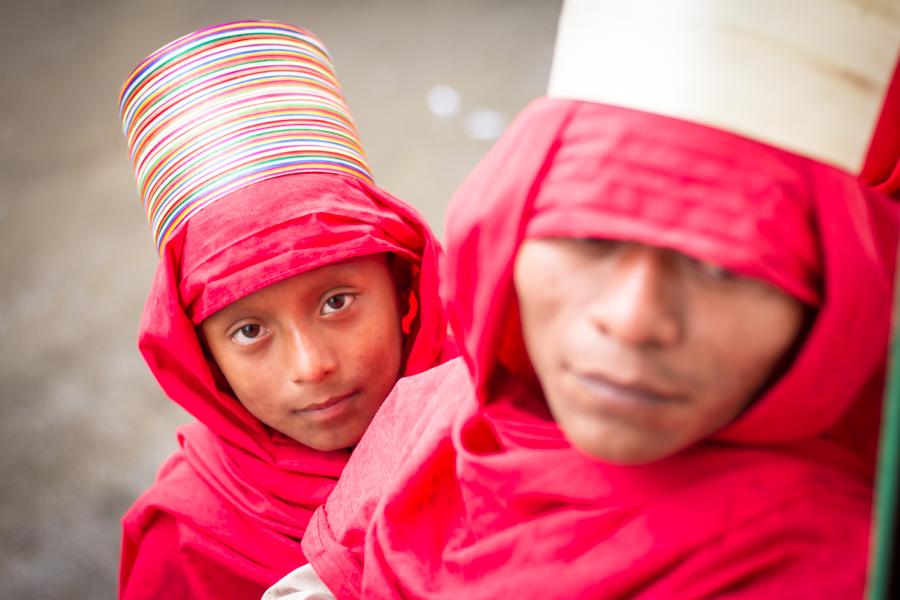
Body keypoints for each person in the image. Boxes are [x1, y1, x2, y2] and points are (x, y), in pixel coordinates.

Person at [267, 1, 900, 598]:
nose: (632, 320)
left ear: (828, 303)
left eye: (721, 267)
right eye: (589, 237)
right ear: (503, 240)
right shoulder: (432, 416)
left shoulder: (831, 565)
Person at [115, 20, 451, 600]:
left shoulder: (505, 412)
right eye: (248, 330)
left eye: (336, 301)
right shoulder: (186, 538)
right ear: (203, 356)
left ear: (403, 284)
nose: (310, 365)